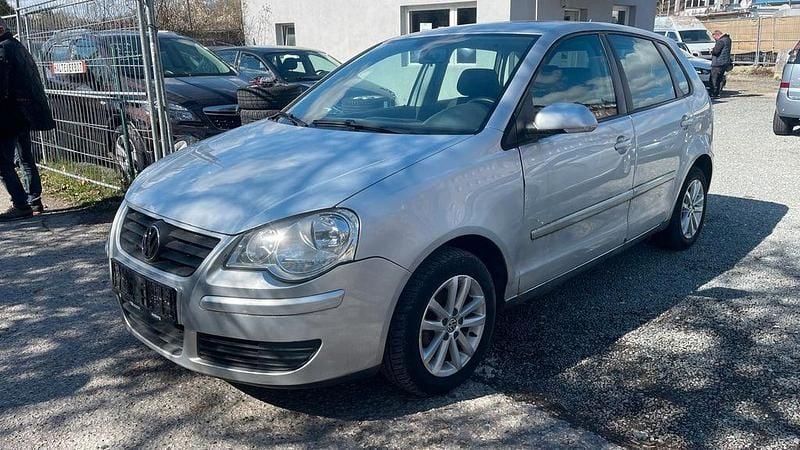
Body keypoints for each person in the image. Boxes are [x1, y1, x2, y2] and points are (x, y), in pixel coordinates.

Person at [0, 17, 54, 221]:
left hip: (8, 116)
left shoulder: (3, 50)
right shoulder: (16, 46)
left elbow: (2, 89)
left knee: (3, 163)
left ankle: (21, 204)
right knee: (25, 158)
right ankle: (34, 200)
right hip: (23, 113)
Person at [710, 30, 733, 98]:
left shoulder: (721, 41)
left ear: (717, 35)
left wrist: (712, 50)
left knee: (714, 78)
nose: (715, 40)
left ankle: (714, 93)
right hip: (724, 62)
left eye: (715, 38)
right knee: (720, 78)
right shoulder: (728, 40)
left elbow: (716, 51)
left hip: (718, 62)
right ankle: (718, 92)